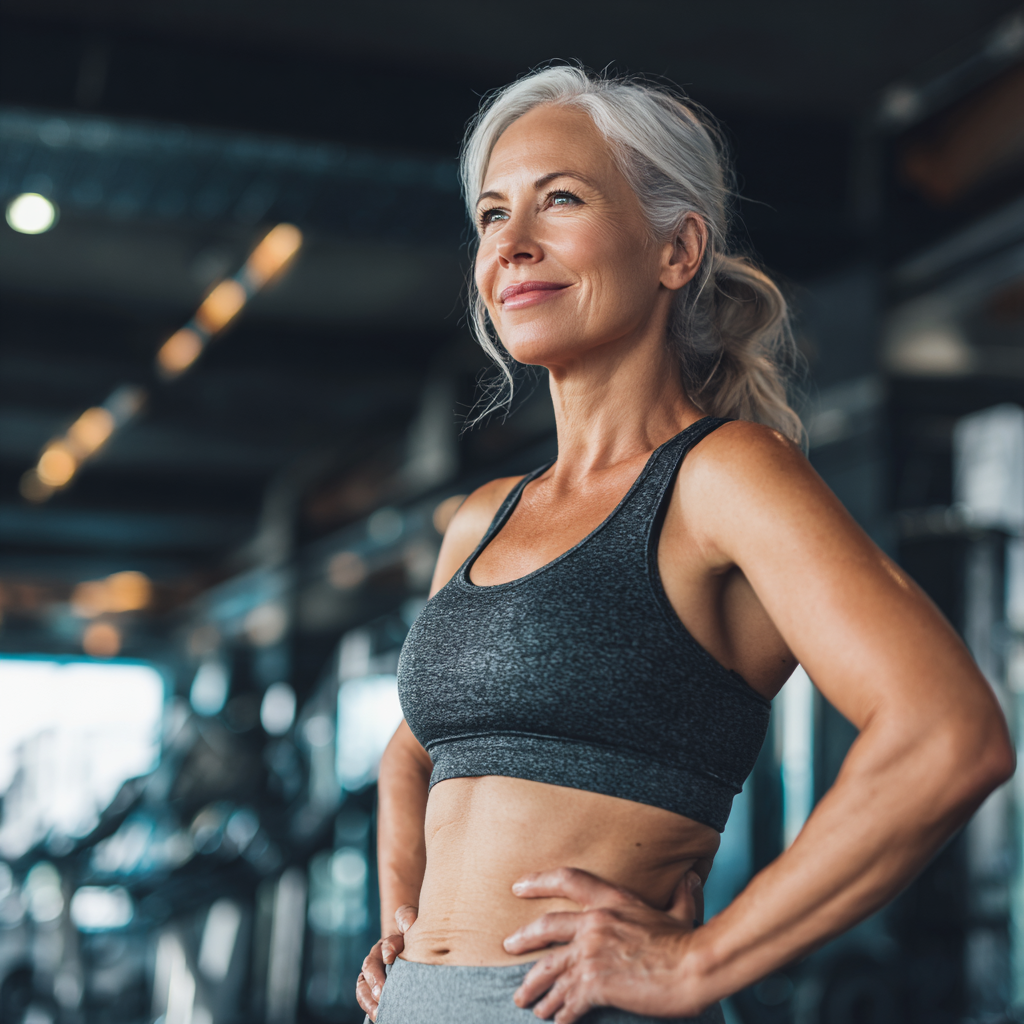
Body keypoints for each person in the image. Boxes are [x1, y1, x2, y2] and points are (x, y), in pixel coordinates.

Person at [356, 66, 1014, 1024]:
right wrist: (403, 917)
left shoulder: (722, 478)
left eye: (562, 200)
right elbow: (412, 750)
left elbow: (949, 736)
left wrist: (701, 962)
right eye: (494, 216)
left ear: (676, 248)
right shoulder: (482, 516)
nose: (513, 244)